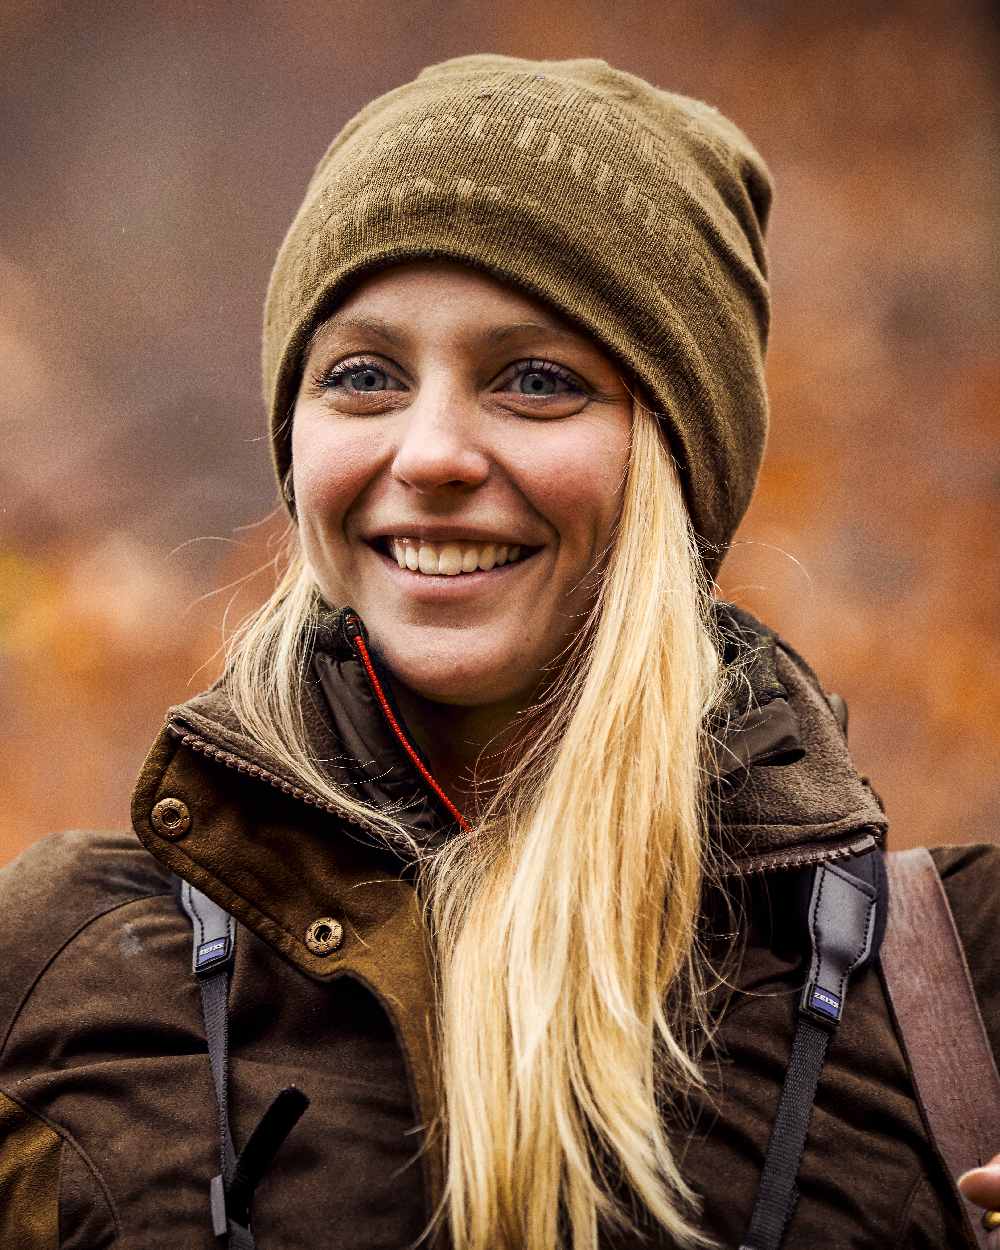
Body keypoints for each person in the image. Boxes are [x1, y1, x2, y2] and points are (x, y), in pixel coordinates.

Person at [0, 52, 996, 1250]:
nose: (430, 452)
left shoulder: (951, 985)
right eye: (363, 375)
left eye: (534, 380)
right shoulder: (62, 963)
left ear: (678, 457)